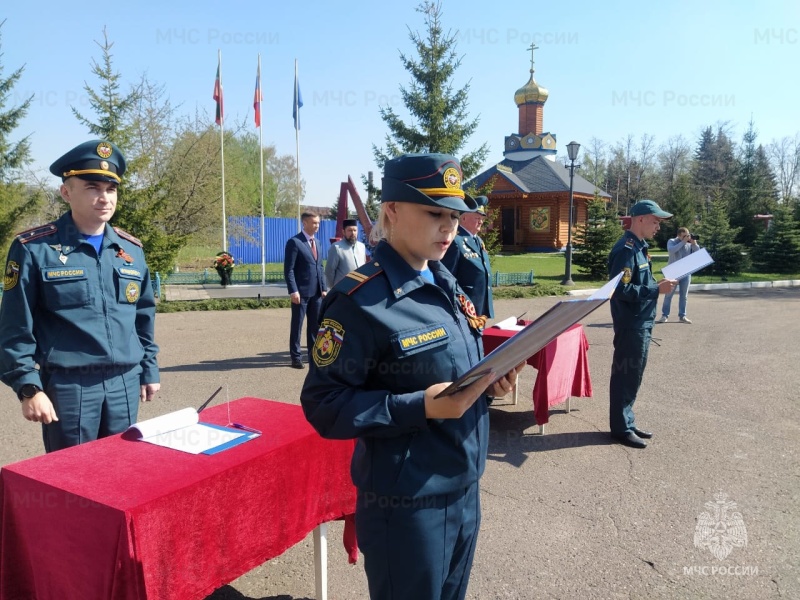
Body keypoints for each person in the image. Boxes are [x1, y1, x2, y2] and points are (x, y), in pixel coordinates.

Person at [301, 153, 524, 600]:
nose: (449, 227)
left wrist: (490, 385)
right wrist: (419, 405)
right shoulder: (359, 300)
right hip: (406, 506)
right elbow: (323, 404)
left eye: (455, 215)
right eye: (435, 213)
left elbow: (457, 372)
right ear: (392, 211)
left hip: (463, 487)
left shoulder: (445, 283)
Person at [0, 140, 160, 453]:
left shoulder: (130, 251)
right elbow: (15, 325)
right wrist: (28, 388)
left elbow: (143, 316)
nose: (104, 198)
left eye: (111, 189)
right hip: (69, 387)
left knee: (123, 471)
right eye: (92, 187)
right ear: (66, 192)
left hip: (124, 383)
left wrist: (149, 369)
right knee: (73, 480)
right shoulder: (34, 249)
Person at [608, 199, 677, 449]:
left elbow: (639, 281)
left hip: (642, 322)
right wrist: (656, 289)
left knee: (634, 375)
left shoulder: (640, 247)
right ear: (640, 219)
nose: (658, 226)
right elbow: (620, 289)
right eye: (655, 221)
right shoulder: (626, 249)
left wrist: (657, 284)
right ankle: (620, 428)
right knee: (625, 375)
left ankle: (627, 420)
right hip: (631, 324)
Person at [284, 212, 327, 369]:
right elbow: (289, 270)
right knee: (297, 325)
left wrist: (324, 288)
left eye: (318, 223)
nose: (317, 226)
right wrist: (293, 290)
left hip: (317, 293)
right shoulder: (294, 242)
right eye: (314, 223)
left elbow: (320, 267)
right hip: (300, 294)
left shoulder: (318, 243)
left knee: (315, 326)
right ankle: (296, 357)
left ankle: (313, 355)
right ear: (305, 223)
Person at [441, 195, 494, 319]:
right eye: (477, 217)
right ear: (464, 218)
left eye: (482, 218)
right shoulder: (455, 241)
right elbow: (447, 276)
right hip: (465, 305)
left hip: (480, 304)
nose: (481, 221)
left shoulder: (478, 240)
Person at [657, 227, 700, 324]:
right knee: (668, 295)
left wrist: (694, 244)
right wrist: (682, 242)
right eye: (684, 236)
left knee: (684, 296)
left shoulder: (689, 243)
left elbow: (698, 253)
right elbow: (671, 251)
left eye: (688, 235)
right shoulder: (672, 241)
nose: (687, 237)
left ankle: (682, 316)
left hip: (685, 272)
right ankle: (664, 315)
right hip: (673, 273)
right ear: (679, 235)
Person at [324, 218, 367, 288]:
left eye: (355, 230)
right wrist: (334, 288)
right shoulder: (336, 247)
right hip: (343, 291)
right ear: (343, 232)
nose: (353, 233)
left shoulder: (361, 246)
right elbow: (329, 272)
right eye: (350, 230)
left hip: (359, 289)